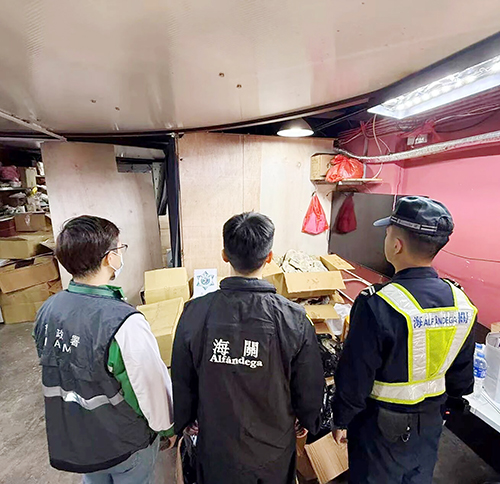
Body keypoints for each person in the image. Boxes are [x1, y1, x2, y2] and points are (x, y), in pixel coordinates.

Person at [332, 196, 477, 484]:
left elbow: (356, 376)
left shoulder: (378, 304)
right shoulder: (462, 302)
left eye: (387, 233)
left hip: (378, 429)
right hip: (431, 422)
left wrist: (342, 419)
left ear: (396, 245)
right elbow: (461, 380)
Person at [172, 212, 324, 484]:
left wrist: (185, 418)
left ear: (224, 255)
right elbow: (309, 382)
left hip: (218, 448)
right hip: (273, 452)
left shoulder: (195, 312)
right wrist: (307, 419)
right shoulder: (293, 318)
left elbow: (182, 377)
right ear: (269, 257)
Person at [33, 215, 175, 483]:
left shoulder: (47, 310)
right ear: (110, 258)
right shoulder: (124, 321)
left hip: (80, 440)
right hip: (124, 445)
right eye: (120, 248)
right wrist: (166, 429)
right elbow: (149, 388)